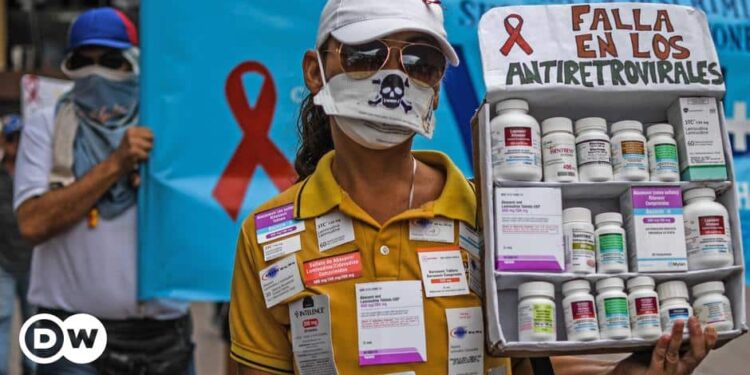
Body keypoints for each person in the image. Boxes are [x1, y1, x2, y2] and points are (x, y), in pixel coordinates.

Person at [229, 1, 718, 374]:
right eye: (367, 54)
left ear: (437, 85)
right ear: (316, 70)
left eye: (419, 61)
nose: (393, 76)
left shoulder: (496, 214)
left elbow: (536, 362)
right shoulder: (269, 236)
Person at [13, 8, 194, 375]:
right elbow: (32, 224)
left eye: (111, 61)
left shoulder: (168, 126)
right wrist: (116, 164)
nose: (96, 73)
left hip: (163, 341)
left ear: (135, 63)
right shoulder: (46, 126)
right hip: (70, 342)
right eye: (83, 61)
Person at [0, 115, 35, 375]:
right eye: (11, 138)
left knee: (35, 327)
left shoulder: (35, 174)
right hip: (3, 264)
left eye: (20, 138)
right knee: (2, 321)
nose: (16, 144)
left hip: (33, 263)